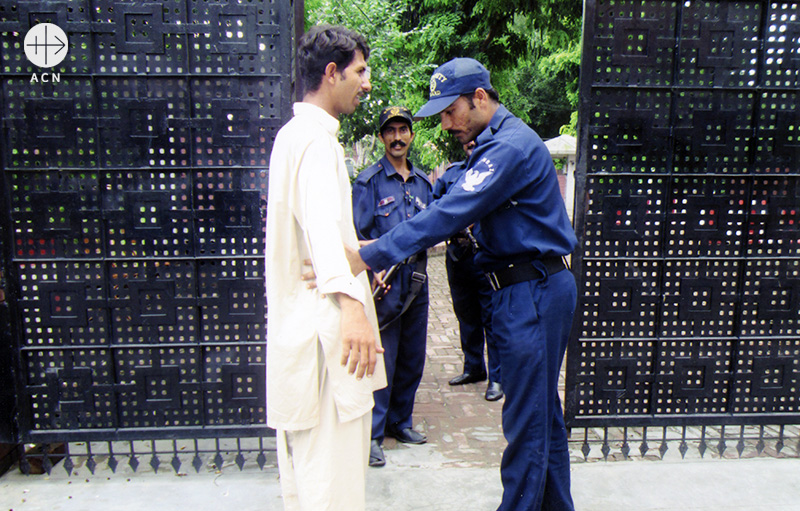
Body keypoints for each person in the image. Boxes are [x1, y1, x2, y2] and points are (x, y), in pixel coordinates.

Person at [348, 58, 577, 511]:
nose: (446, 123)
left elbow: (446, 214)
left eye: (450, 111)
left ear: (479, 98)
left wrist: (366, 254)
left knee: (527, 425)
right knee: (541, 417)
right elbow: (451, 207)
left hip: (532, 291)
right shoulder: (495, 143)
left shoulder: (509, 148)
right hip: (526, 288)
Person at [265, 25, 386, 511]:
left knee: (309, 482)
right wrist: (353, 307)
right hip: (327, 344)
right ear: (332, 73)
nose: (367, 83)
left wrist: (365, 254)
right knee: (331, 490)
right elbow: (318, 227)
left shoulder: (294, 136)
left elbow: (321, 234)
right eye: (360, 72)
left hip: (304, 336)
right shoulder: (316, 143)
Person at [352, 106, 433, 467]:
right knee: (383, 355)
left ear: (411, 135)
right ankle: (371, 434)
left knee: (412, 356)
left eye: (403, 130)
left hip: (417, 280)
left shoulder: (424, 184)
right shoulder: (368, 182)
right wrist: (371, 272)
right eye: (391, 131)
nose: (397, 137)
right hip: (383, 283)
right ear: (382, 138)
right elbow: (356, 236)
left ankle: (401, 422)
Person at [434, 140, 503, 402]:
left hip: (487, 255)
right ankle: (474, 367)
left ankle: (497, 377)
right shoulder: (451, 175)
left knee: (491, 318)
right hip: (458, 254)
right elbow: (437, 210)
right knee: (466, 315)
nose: (472, 146)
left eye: (478, 142)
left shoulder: (496, 171)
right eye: (469, 143)